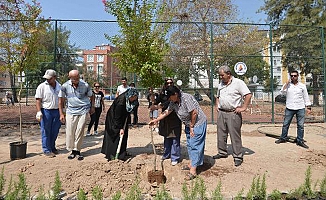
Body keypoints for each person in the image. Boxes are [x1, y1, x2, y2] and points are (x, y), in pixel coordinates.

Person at [149, 85, 207, 180]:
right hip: (189, 124)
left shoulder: (186, 98)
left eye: (170, 97)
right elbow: (167, 111)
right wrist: (156, 120)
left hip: (197, 123)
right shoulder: (173, 102)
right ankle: (193, 163)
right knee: (190, 145)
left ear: (175, 94)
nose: (169, 99)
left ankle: (193, 171)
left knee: (195, 145)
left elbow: (194, 112)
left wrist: (192, 126)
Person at [214, 65, 252, 167]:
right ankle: (222, 152)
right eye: (220, 75)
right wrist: (217, 105)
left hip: (233, 113)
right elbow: (218, 96)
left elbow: (248, 95)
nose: (221, 77)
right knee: (221, 134)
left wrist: (243, 107)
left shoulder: (238, 83)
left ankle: (238, 156)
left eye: (222, 75)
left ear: (229, 74)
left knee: (235, 135)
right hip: (222, 112)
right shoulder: (221, 84)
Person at [58, 70, 95, 160]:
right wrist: (61, 114)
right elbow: (60, 100)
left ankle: (77, 150)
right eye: (74, 79)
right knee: (70, 131)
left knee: (80, 130)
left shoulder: (85, 85)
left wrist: (92, 107)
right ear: (70, 77)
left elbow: (92, 95)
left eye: (78, 78)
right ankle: (71, 150)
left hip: (83, 110)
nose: (76, 80)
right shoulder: (65, 86)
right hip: (71, 111)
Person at [275, 70, 312, 149]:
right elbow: (282, 92)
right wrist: (287, 83)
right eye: (291, 76)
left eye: (295, 76)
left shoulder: (302, 86)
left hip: (300, 107)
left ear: (297, 76)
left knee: (300, 125)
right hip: (289, 107)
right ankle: (283, 138)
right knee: (285, 124)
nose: (293, 77)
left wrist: (308, 107)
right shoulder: (288, 85)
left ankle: (300, 141)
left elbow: (306, 96)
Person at [101, 88, 139, 161]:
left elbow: (134, 106)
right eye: (134, 98)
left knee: (124, 135)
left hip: (124, 118)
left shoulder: (132, 98)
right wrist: (120, 128)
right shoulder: (121, 102)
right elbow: (117, 117)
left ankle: (122, 152)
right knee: (115, 135)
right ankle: (112, 154)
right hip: (114, 120)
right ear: (130, 96)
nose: (135, 99)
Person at [153, 79, 182, 166]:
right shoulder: (162, 93)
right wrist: (153, 100)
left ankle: (175, 157)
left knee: (175, 138)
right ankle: (167, 154)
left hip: (175, 118)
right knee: (167, 136)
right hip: (165, 118)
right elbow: (157, 101)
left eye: (170, 83)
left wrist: (160, 106)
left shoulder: (176, 93)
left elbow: (168, 104)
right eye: (167, 83)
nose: (169, 84)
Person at [35, 69, 61, 158]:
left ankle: (52, 147)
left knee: (55, 130)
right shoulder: (41, 86)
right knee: (46, 130)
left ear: (55, 77)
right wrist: (39, 112)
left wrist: (63, 111)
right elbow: (38, 100)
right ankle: (46, 149)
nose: (47, 80)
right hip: (46, 111)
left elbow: (62, 100)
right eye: (46, 78)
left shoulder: (59, 87)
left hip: (57, 111)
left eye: (49, 78)